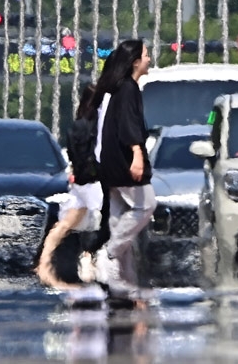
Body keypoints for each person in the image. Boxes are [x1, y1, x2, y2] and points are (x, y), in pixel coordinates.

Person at [92, 39, 155, 296]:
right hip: (123, 161)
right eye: (147, 55)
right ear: (135, 61)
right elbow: (130, 127)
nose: (150, 59)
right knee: (146, 205)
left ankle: (122, 279)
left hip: (111, 161)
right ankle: (108, 254)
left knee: (119, 219)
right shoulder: (128, 88)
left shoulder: (119, 88)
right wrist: (137, 155)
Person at [36, 84, 105, 289]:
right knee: (106, 222)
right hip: (95, 182)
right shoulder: (98, 126)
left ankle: (45, 263)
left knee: (67, 224)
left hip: (80, 181)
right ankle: (88, 258)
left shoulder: (76, 126)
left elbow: (75, 156)